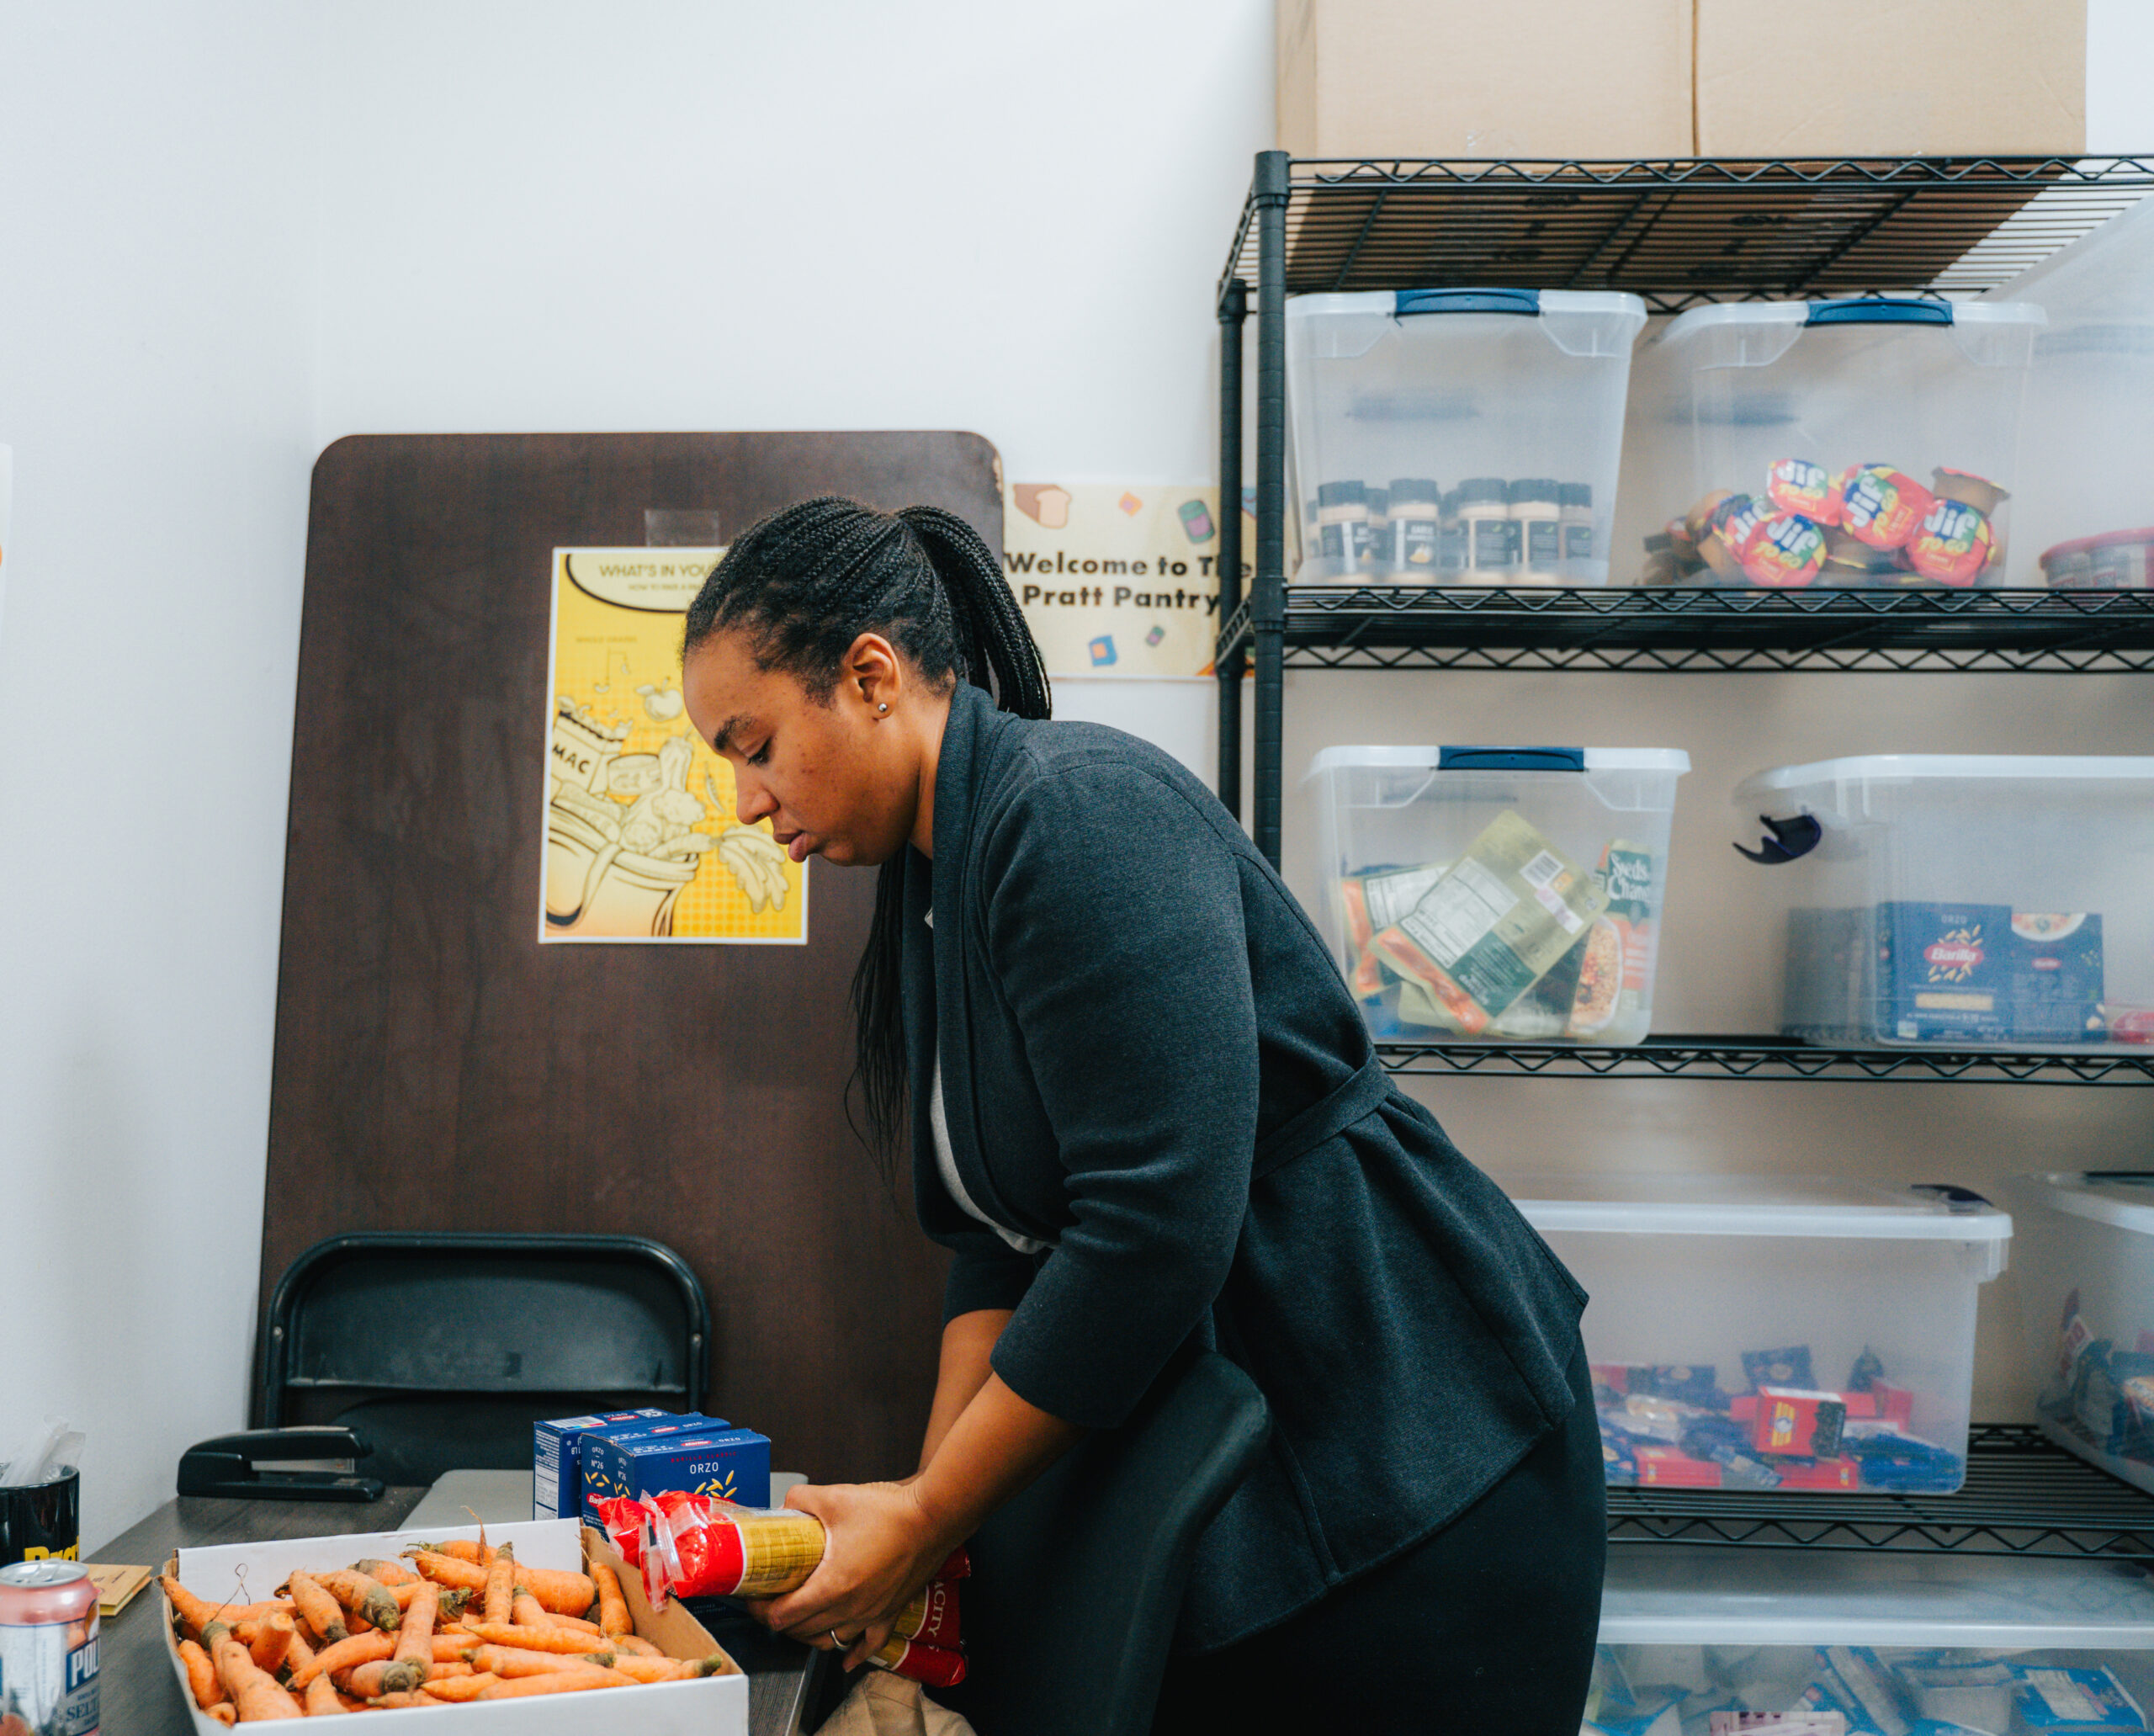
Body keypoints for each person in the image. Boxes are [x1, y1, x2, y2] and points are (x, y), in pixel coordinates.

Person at [678, 496, 1605, 1732]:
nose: (746, 801)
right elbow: (994, 1242)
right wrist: (934, 1531)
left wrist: (929, 1515)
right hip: (1263, 1452)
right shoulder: (937, 877)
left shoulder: (1076, 812)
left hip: (1410, 1444)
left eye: (753, 746)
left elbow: (1153, 1231)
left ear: (870, 677)